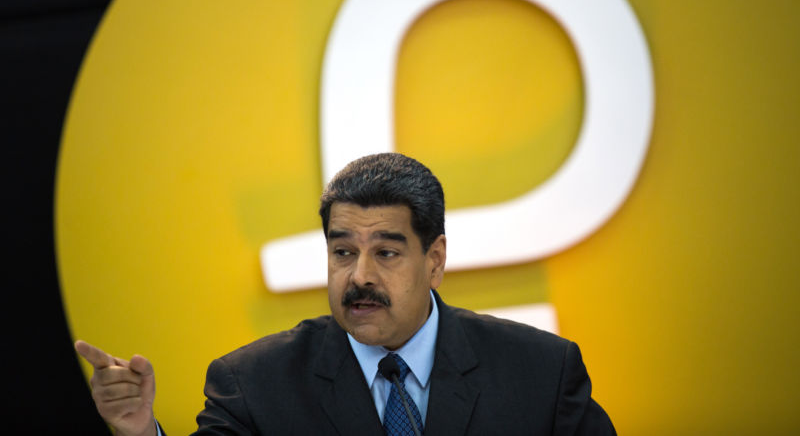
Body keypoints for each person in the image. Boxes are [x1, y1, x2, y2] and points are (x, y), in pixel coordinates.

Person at [76, 153, 615, 435]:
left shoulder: (539, 373)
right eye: (342, 252)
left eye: (386, 252)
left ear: (435, 259)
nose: (358, 277)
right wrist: (140, 431)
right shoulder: (255, 385)